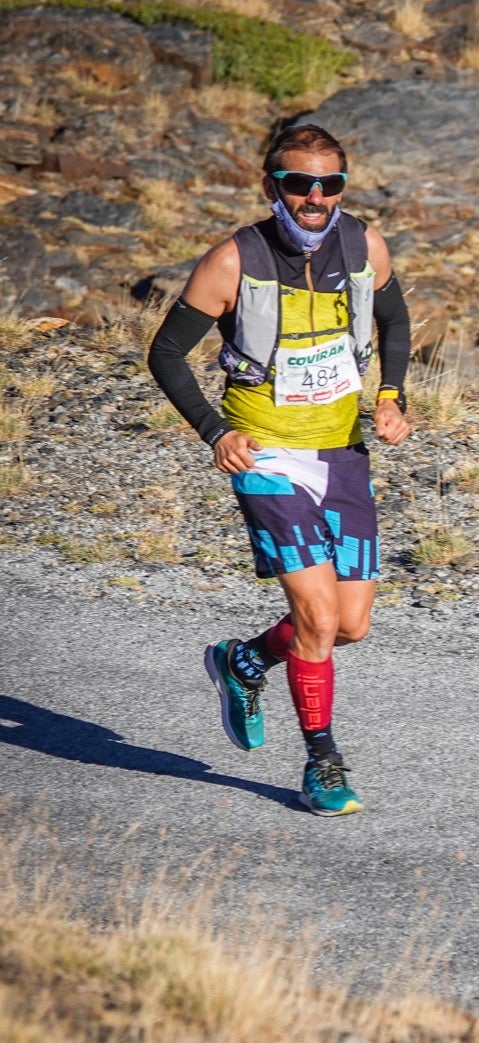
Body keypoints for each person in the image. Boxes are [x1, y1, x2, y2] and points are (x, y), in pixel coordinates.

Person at [147, 123, 411, 816]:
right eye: (300, 183)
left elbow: (393, 318)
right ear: (272, 188)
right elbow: (166, 354)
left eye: (330, 184)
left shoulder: (365, 245)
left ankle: (243, 661)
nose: (316, 196)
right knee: (318, 616)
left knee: (350, 624)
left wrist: (391, 394)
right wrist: (215, 431)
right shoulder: (232, 261)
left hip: (341, 452)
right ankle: (322, 763)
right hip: (265, 455)